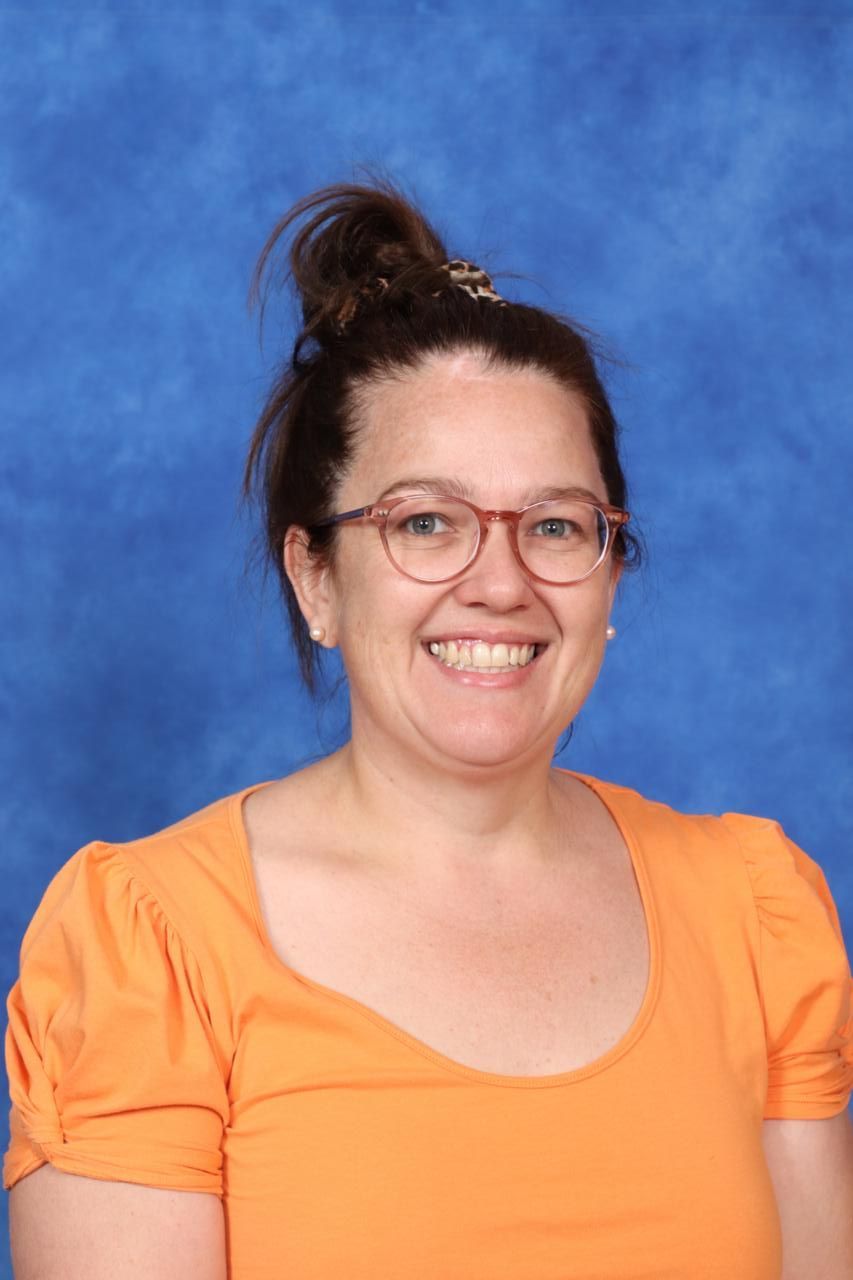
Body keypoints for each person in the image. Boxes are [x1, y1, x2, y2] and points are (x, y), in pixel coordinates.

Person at [4, 178, 852, 1280]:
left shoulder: (755, 912)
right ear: (315, 576)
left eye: (556, 524)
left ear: (608, 574)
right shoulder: (152, 946)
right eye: (426, 521)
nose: (499, 582)